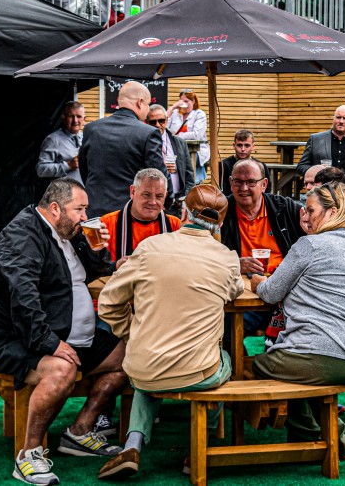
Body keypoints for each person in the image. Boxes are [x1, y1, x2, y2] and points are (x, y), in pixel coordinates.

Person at [95, 184, 243, 480]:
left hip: (143, 368)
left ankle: (132, 444)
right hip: (199, 371)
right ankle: (199, 446)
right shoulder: (226, 256)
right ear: (221, 223)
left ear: (183, 212)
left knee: (151, 367)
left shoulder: (150, 247)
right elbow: (235, 290)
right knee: (227, 361)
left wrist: (133, 334)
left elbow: (108, 303)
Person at [0, 179, 126, 485]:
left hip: (67, 333)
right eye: (80, 209)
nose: (86, 216)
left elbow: (96, 271)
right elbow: (22, 298)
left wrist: (98, 248)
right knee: (62, 369)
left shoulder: (67, 231)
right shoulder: (22, 235)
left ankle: (79, 431)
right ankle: (29, 454)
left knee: (130, 357)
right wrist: (50, 343)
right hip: (14, 338)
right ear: (55, 209)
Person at [250, 181, 345, 461]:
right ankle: (338, 439)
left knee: (260, 364)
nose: (305, 214)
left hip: (325, 357)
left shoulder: (309, 245)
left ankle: (310, 434)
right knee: (308, 370)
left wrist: (256, 282)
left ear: (332, 212)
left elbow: (271, 292)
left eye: (311, 209)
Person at [221, 159, 304, 338]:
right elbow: (205, 256)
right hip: (242, 296)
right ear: (230, 183)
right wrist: (234, 263)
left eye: (251, 182)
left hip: (285, 295)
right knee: (227, 330)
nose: (244, 188)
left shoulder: (286, 209)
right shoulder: (222, 212)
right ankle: (237, 364)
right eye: (238, 182)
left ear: (264, 184)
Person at [80, 81, 166, 218]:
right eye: (148, 105)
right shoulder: (148, 133)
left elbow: (84, 170)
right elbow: (158, 175)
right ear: (140, 102)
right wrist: (169, 198)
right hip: (128, 215)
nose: (148, 109)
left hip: (94, 210)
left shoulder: (91, 129)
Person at [296, 105, 345, 210]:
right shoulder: (315, 139)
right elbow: (301, 166)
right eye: (338, 117)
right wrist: (318, 171)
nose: (341, 121)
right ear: (333, 118)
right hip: (322, 198)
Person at [100, 169, 181, 266]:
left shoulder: (176, 226)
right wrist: (115, 266)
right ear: (133, 192)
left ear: (165, 196)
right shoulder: (106, 224)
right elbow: (96, 269)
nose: (153, 202)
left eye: (159, 196)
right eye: (146, 195)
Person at [144, 104, 194, 216]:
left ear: (167, 120)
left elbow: (189, 176)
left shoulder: (179, 142)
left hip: (178, 205)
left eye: (161, 120)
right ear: (147, 123)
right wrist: (161, 168)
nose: (157, 125)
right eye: (153, 122)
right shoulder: (144, 144)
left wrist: (185, 199)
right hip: (155, 203)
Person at [36, 101, 86, 185]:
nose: (75, 120)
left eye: (79, 116)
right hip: (64, 196)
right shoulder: (52, 140)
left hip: (86, 194)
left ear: (84, 119)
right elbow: (40, 170)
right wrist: (68, 165)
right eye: (71, 116)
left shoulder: (87, 138)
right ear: (64, 118)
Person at [168, 88, 209, 183]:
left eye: (186, 101)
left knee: (181, 160)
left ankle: (188, 185)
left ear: (193, 101)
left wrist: (177, 136)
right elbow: (164, 127)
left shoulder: (199, 114)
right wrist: (173, 107)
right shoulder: (175, 113)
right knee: (168, 160)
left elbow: (196, 135)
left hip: (196, 150)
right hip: (176, 149)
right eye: (181, 101)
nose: (184, 104)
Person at [219, 130, 267, 197]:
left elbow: (266, 192)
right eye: (239, 145)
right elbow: (223, 192)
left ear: (253, 146)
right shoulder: (223, 165)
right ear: (234, 145)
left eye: (247, 145)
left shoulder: (261, 166)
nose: (243, 149)